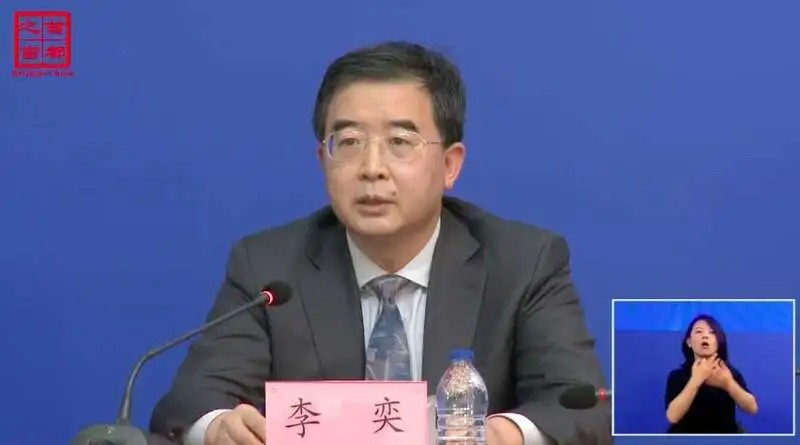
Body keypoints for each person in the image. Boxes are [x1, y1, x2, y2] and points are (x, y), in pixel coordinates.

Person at [149, 40, 611, 445]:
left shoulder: (523, 262)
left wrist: (499, 435)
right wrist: (219, 426)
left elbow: (582, 406)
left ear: (450, 165)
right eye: (349, 142)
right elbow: (193, 399)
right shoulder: (269, 267)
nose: (372, 168)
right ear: (323, 160)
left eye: (399, 142)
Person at [665, 314, 758, 434]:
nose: (705, 336)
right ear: (689, 342)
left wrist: (728, 384)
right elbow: (672, 416)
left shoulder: (729, 374)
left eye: (712, 332)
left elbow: (752, 408)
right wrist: (696, 380)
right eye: (699, 331)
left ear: (718, 342)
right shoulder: (677, 376)